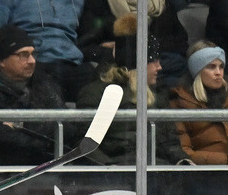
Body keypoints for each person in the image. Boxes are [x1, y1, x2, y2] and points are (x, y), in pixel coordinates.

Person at [76, 15, 191, 164]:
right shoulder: (96, 94)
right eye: (154, 61)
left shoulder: (158, 95)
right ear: (138, 63)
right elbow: (86, 144)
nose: (160, 67)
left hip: (156, 170)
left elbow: (170, 143)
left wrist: (183, 161)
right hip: (115, 175)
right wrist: (109, 170)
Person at [0, 24, 66, 165]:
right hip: (0, 170)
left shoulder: (42, 82)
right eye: (23, 55)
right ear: (2, 61)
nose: (32, 61)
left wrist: (18, 126)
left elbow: (67, 125)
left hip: (45, 166)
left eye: (33, 54)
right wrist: (43, 136)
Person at [0, 0, 96, 102]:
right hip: (33, 63)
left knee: (101, 86)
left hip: (73, 64)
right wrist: (7, 66)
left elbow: (89, 36)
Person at [170, 41, 228, 163]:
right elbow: (184, 152)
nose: (218, 72)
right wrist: (223, 160)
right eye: (211, 67)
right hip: (205, 175)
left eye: (221, 66)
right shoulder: (180, 102)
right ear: (197, 70)